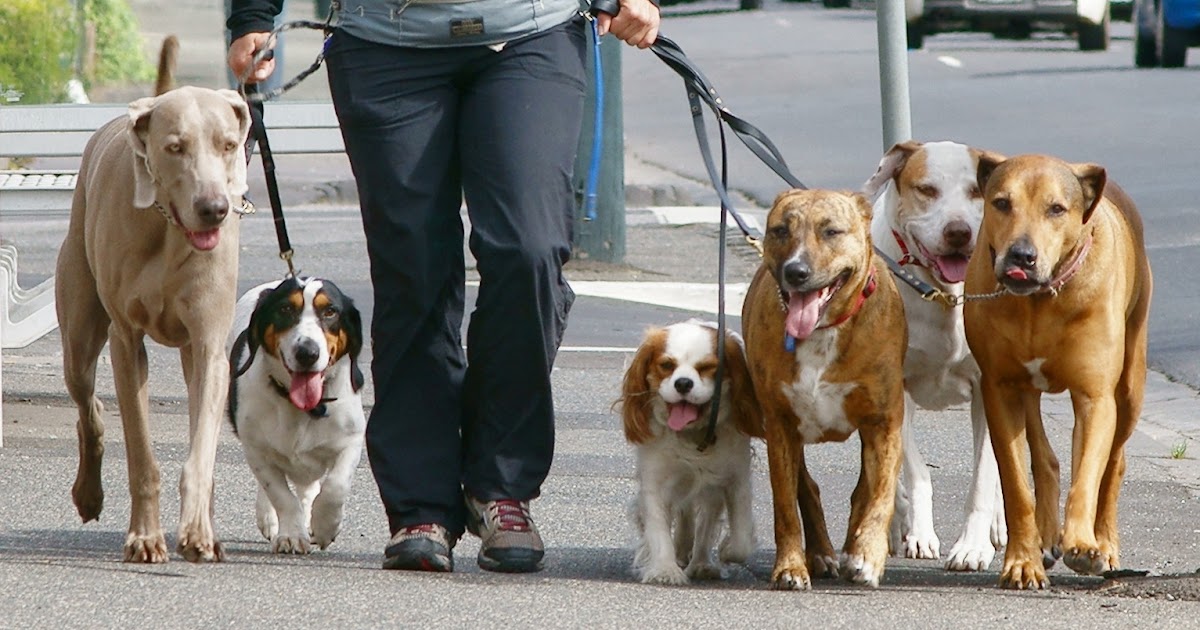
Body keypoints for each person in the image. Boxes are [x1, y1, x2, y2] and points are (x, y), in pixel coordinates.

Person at [227, 0, 661, 573]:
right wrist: (254, 15)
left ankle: (501, 490)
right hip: (384, 41)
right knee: (413, 266)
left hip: (531, 32)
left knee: (528, 250)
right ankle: (420, 504)